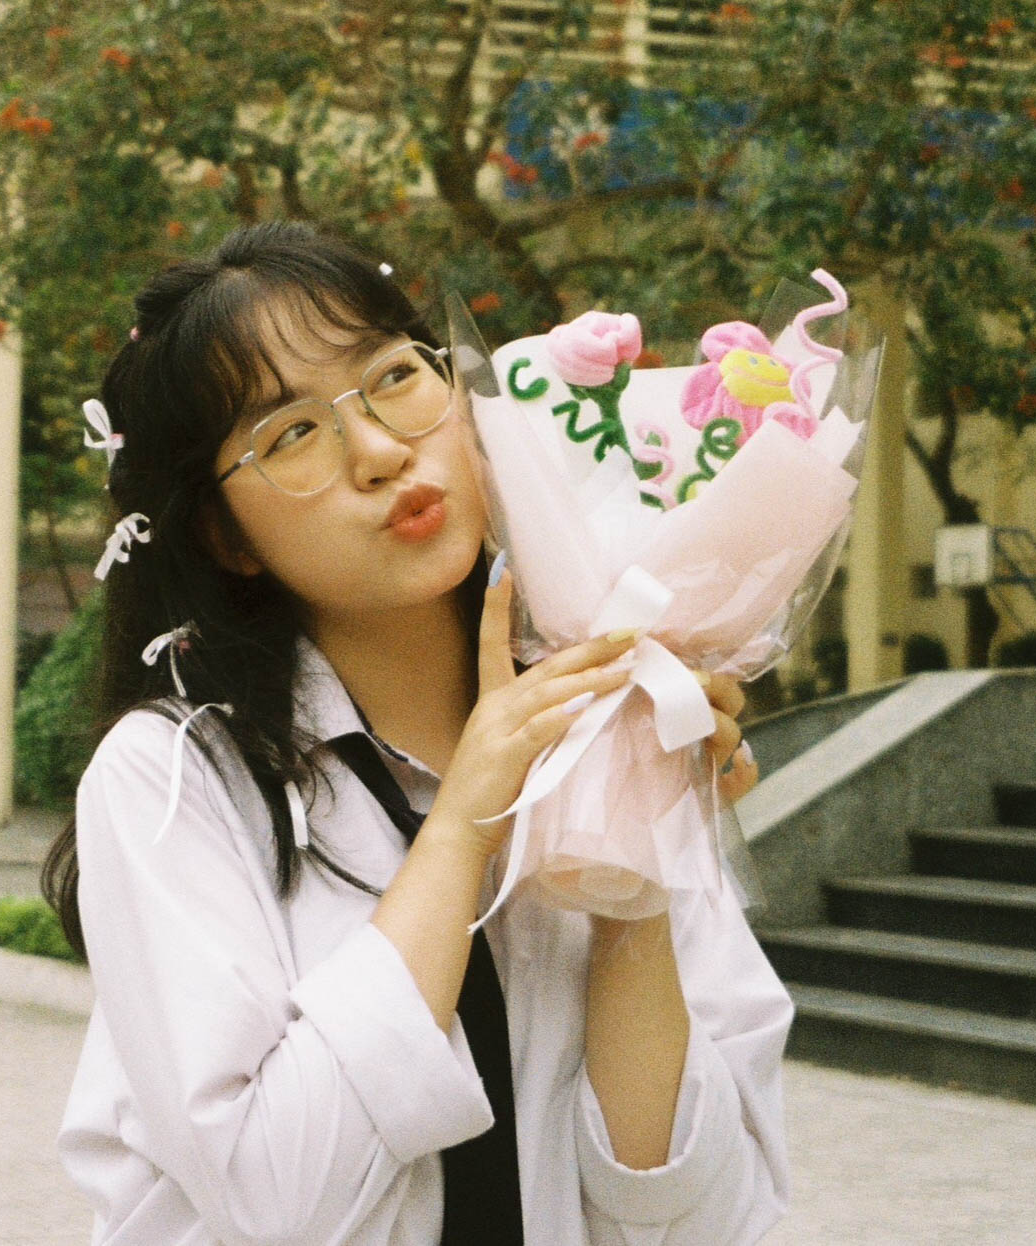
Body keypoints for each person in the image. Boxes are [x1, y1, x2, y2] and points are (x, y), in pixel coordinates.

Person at [44, 220, 791, 1245]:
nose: (380, 451)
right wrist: (464, 826)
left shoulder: (609, 723)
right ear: (225, 535)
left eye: (395, 377)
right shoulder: (174, 780)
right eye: (291, 434)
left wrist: (631, 883)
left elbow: (690, 1217)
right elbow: (275, 1201)